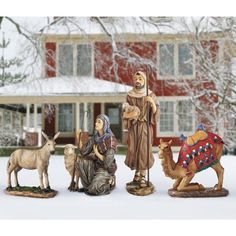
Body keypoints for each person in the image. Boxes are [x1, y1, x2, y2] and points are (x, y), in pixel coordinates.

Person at [123, 71, 159, 187]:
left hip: (144, 126)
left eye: (140, 79)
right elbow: (125, 109)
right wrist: (128, 108)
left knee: (143, 150)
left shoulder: (150, 94)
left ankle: (143, 175)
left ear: (145, 80)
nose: (137, 81)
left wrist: (152, 103)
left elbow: (155, 113)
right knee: (133, 149)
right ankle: (137, 173)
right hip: (134, 126)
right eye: (136, 79)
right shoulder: (130, 95)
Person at [77, 114, 118, 196]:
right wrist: (79, 138)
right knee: (81, 161)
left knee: (94, 189)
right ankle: (89, 184)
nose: (96, 123)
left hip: (106, 168)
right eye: (96, 121)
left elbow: (107, 162)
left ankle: (110, 181)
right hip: (96, 165)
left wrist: (97, 153)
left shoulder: (111, 140)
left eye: (99, 122)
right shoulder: (95, 137)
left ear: (105, 124)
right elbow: (84, 152)